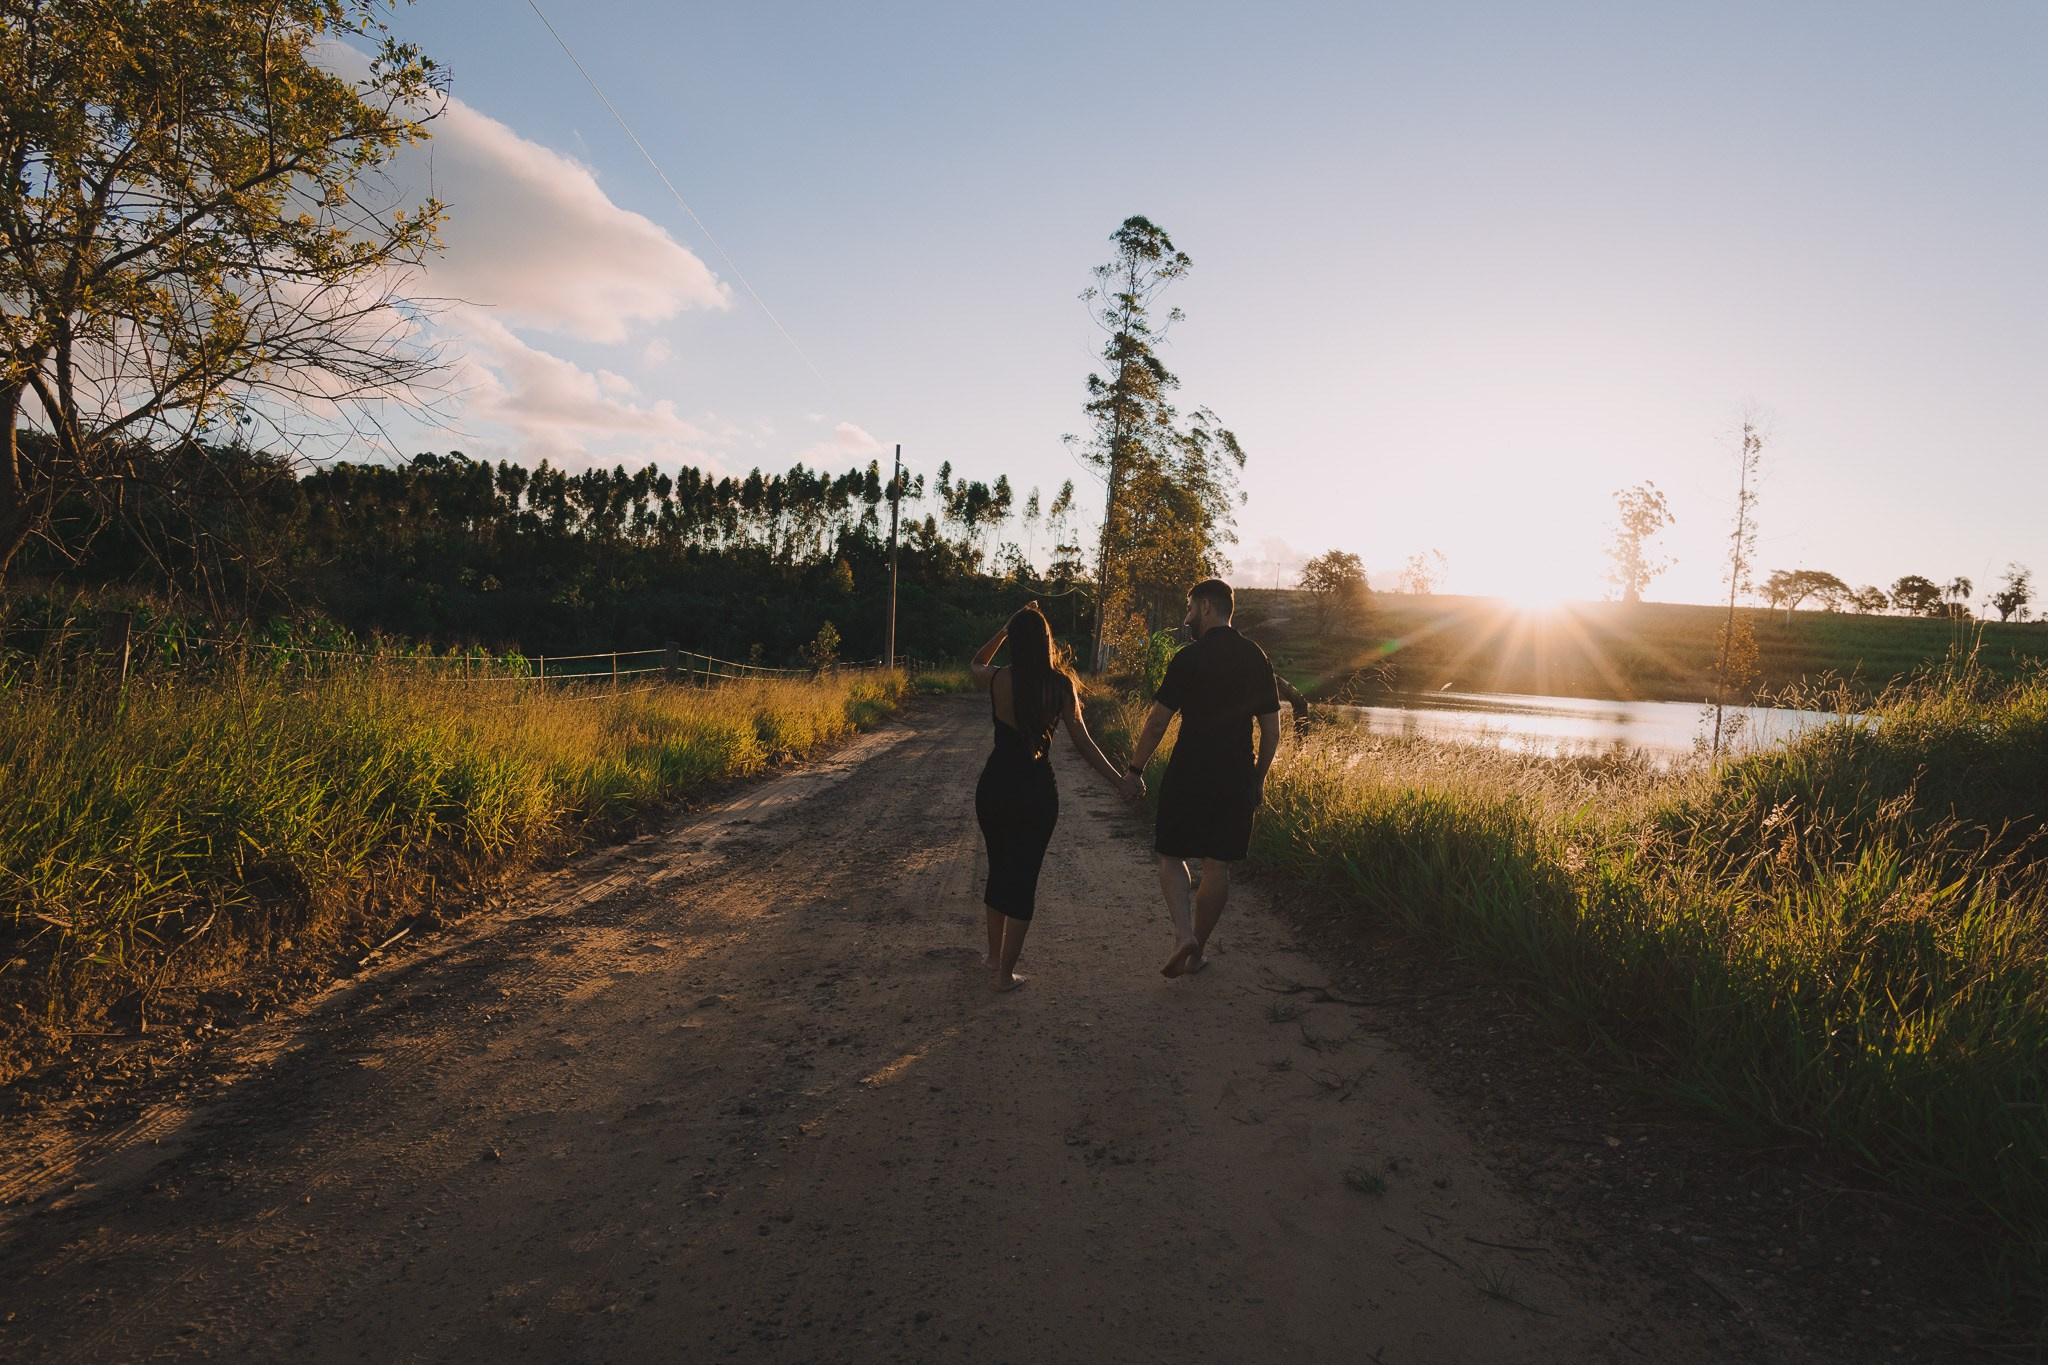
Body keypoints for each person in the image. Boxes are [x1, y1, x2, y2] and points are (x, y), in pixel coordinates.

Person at [970, 602, 1133, 993]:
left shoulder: (998, 679)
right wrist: (1119, 780)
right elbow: (1083, 744)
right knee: (1023, 878)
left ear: (1015, 640)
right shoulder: (1060, 685)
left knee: (998, 869)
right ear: (1046, 641)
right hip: (1035, 792)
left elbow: (975, 661)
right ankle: (1004, 974)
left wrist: (1006, 627)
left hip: (994, 786)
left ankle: (993, 957)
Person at [1125, 579, 1281, 978]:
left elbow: (1159, 720)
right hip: (1235, 776)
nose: (1187, 616)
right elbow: (1271, 731)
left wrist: (1135, 769)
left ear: (1207, 608)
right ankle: (1197, 952)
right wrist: (1257, 779)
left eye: (1190, 608)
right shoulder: (1256, 657)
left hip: (1189, 771)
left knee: (1170, 853)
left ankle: (1182, 934)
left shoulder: (1187, 658)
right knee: (1218, 866)